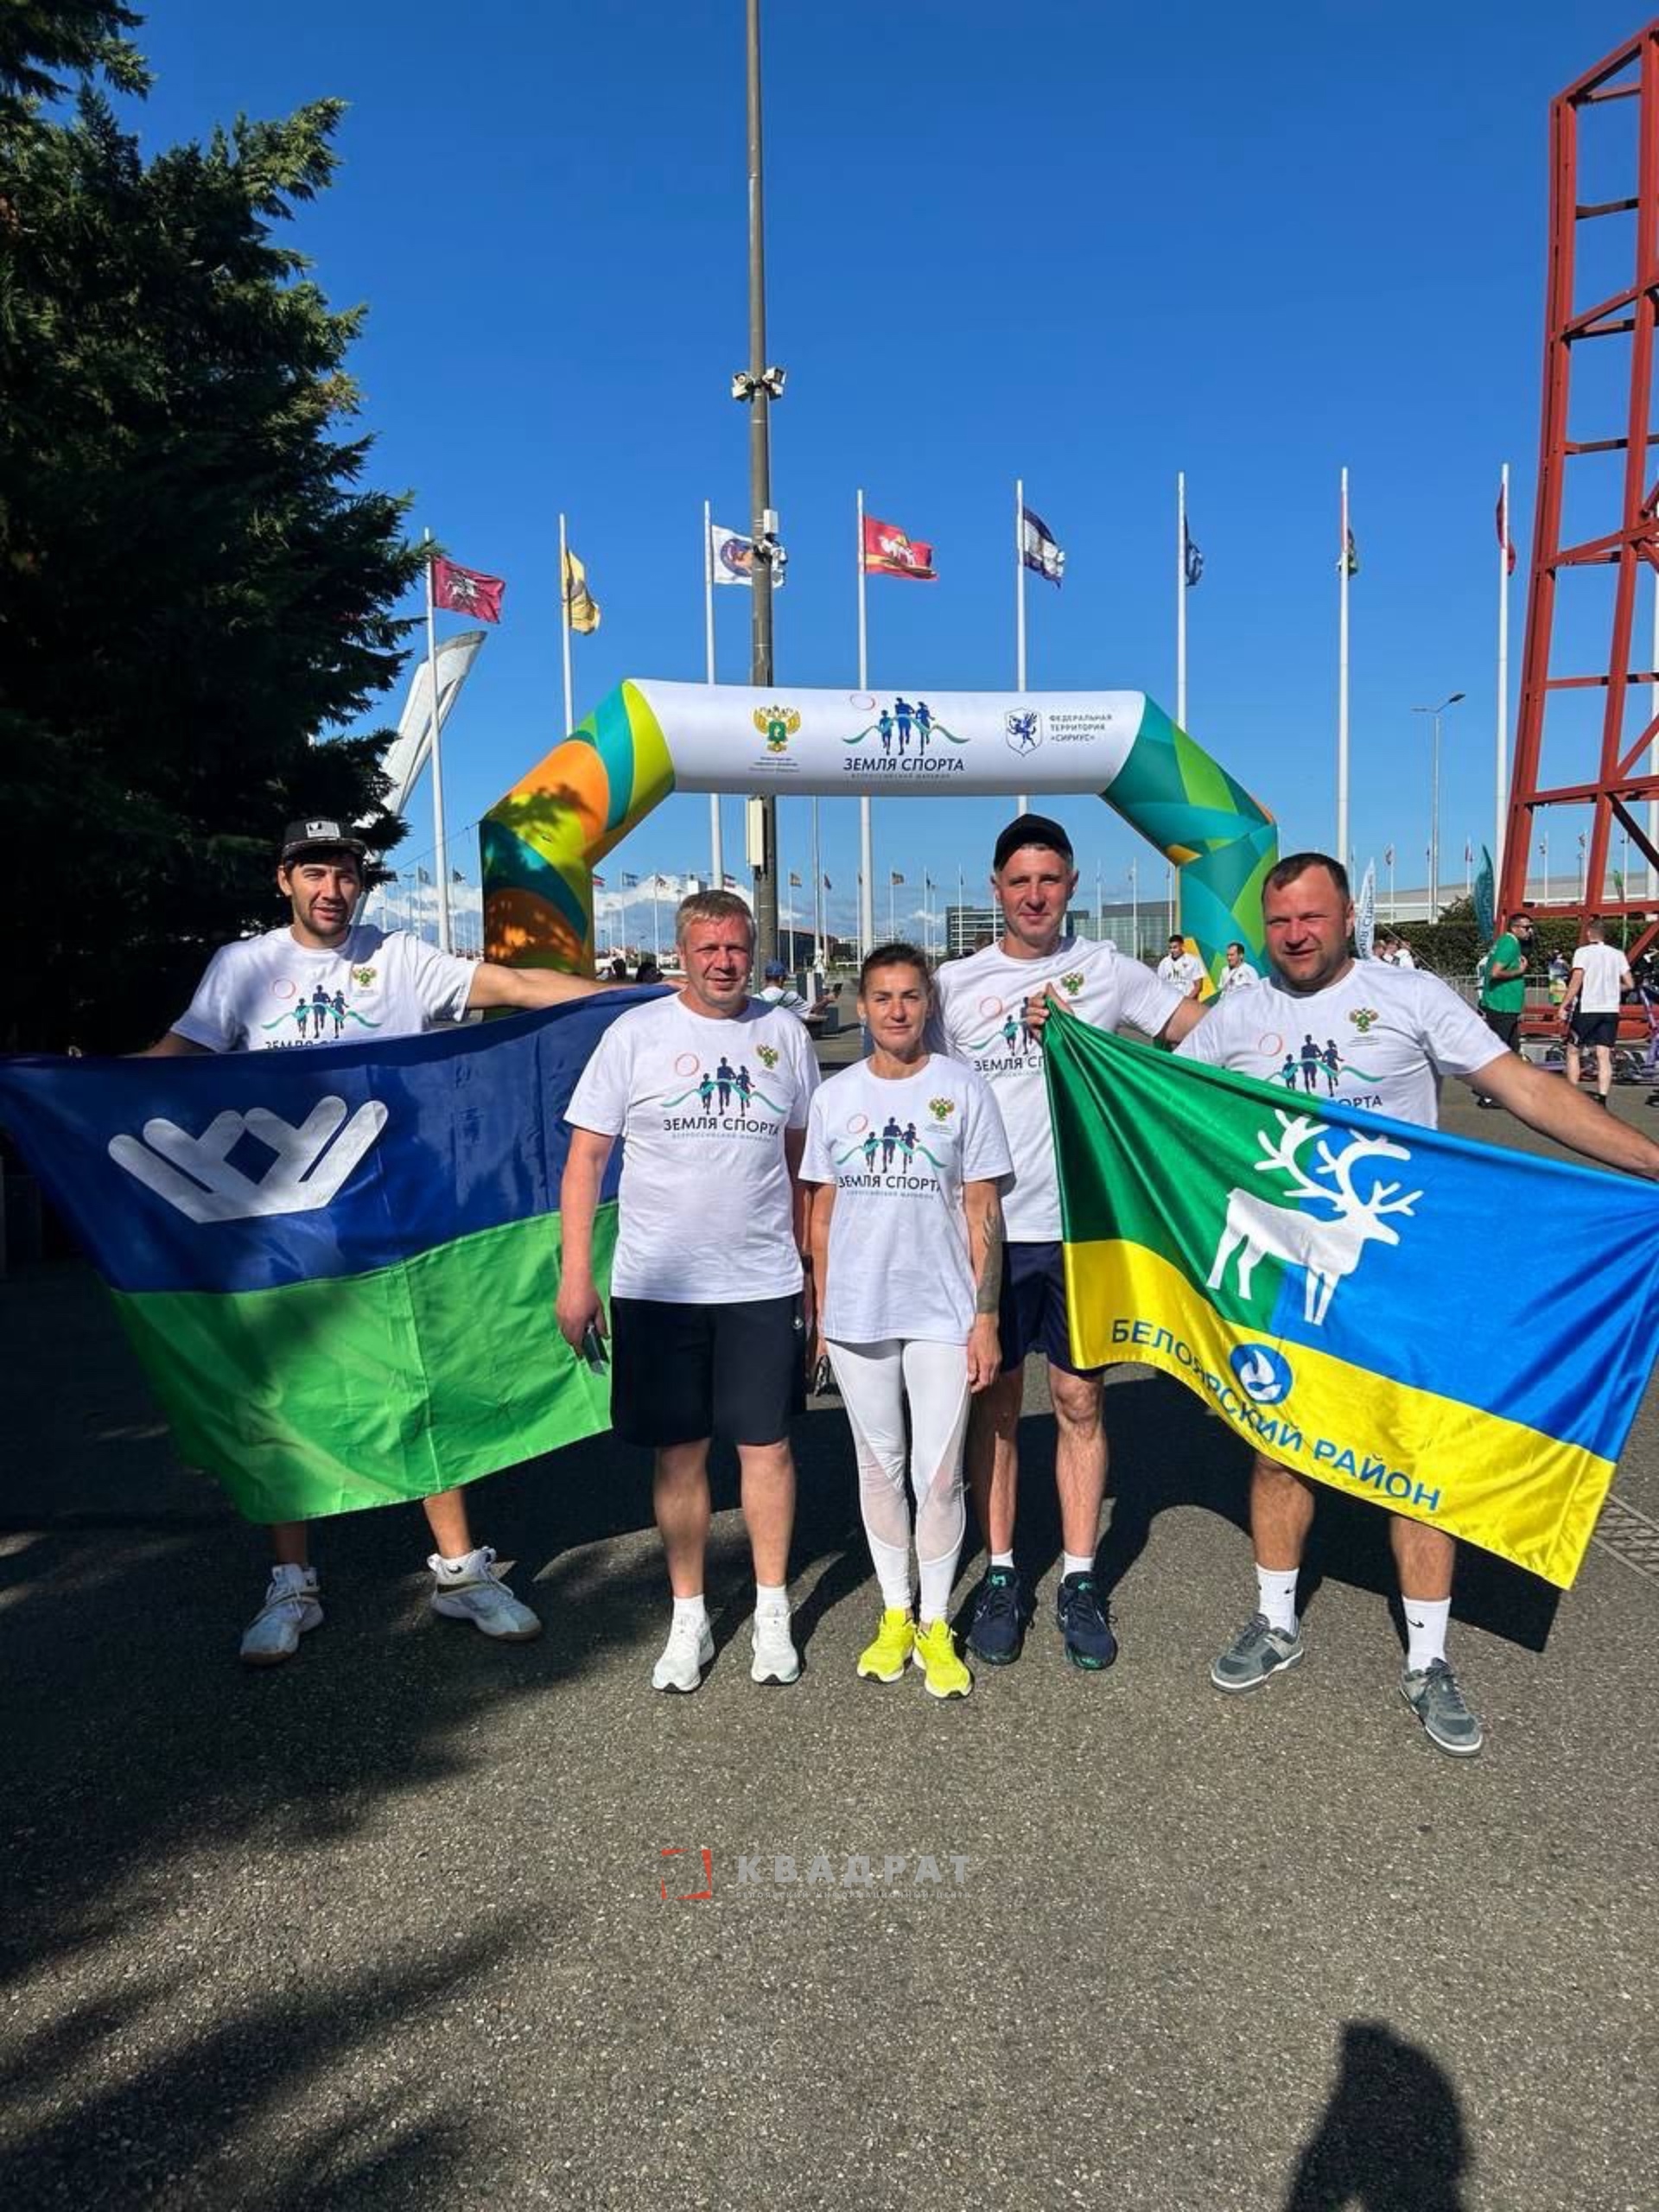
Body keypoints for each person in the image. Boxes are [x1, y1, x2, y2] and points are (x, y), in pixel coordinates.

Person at [1178, 853, 1659, 1754]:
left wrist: (1650, 1162)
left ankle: (1428, 1659)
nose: (1296, 936)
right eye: (1280, 922)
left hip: (1409, 1278)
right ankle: (1275, 1620)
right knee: (1278, 1450)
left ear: (1347, 918)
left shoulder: (1409, 997)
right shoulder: (1237, 1015)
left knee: (1420, 1462)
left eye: (1312, 918)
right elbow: (1161, 1105)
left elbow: (1525, 1089)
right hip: (1292, 1279)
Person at [144, 818, 623, 1665]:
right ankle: (291, 1583)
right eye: (314, 872)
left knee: (421, 1374)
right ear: (284, 879)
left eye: (345, 874)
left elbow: (515, 985)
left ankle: (460, 1572)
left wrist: (641, 1002)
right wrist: (68, 1094)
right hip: (283, 1225)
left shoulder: (397, 958)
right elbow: (178, 1053)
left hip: (398, 1217)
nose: (332, 889)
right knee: (281, 1393)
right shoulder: (242, 968)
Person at [931, 814, 1205, 1669]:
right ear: (996, 889)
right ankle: (1003, 1571)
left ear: (1072, 885)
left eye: (1049, 879)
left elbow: (1201, 1036)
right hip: (990, 1231)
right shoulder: (953, 984)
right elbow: (910, 1090)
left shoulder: (1109, 971)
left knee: (1080, 1400)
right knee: (998, 1405)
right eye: (1020, 881)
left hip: (1084, 1230)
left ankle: (1080, 1578)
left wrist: (1301, 1034)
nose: (1035, 895)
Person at [557, 890, 819, 1694]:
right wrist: (576, 1275)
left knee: (768, 1449)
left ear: (754, 951)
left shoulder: (784, 1034)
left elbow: (805, 1162)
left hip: (761, 1279)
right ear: (681, 954)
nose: (724, 963)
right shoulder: (636, 1034)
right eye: (708, 949)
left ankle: (771, 1610)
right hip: (659, 1284)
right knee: (679, 1454)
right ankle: (689, 1614)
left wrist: (813, 1268)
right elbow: (585, 1161)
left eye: (736, 948)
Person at [803, 944, 1012, 1699]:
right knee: (879, 1466)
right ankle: (896, 1611)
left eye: (911, 997)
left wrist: (985, 1318)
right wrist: (820, 1314)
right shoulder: (835, 1096)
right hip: (858, 1312)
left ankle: (935, 1622)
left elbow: (984, 1211)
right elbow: (821, 1216)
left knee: (940, 1474)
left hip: (942, 1311)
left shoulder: (963, 1088)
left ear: (929, 1004)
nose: (897, 1010)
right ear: (862, 1007)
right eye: (883, 997)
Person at [1561, 919, 1633, 1106]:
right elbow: (1630, 984)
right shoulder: (1617, 954)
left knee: (1573, 1050)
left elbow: (1577, 979)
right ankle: (1602, 1097)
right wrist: (1612, 988)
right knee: (1603, 1054)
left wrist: (1564, 1005)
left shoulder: (1582, 952)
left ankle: (1572, 1095)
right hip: (1610, 1009)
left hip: (1588, 1007)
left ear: (1589, 933)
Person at [1476, 910, 1535, 1105]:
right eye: (1526, 927)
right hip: (1502, 1005)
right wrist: (1520, 971)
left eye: (1531, 927)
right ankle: (1489, 1093)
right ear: (1515, 928)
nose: (1530, 931)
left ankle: (1505, 1090)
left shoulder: (1508, 943)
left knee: (1512, 1049)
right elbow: (1495, 972)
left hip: (1506, 1004)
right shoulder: (1509, 943)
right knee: (1500, 1051)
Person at [1157, 932, 1205, 1000]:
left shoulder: (1193, 960)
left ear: (1182, 946)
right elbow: (1160, 985)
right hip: (1170, 1001)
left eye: (1175, 947)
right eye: (1170, 948)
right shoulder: (1164, 962)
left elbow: (1198, 986)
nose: (1172, 950)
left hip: (1188, 1001)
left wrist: (1187, 1001)